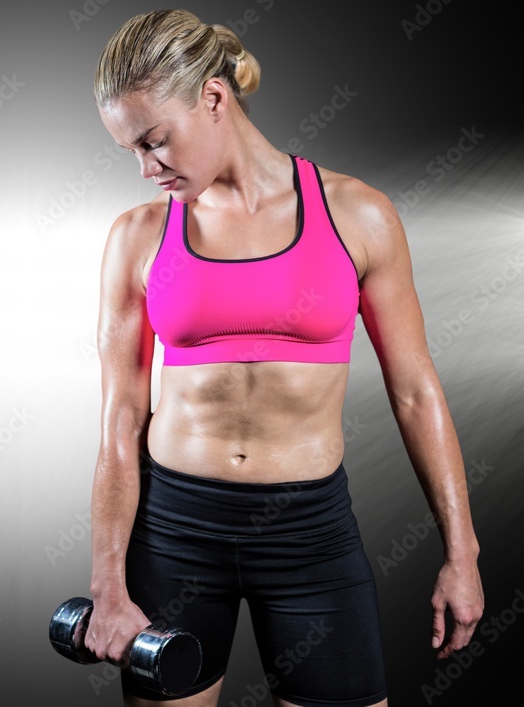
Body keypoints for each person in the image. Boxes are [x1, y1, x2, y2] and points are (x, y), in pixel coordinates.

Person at [83, 9, 484, 707]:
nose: (148, 169)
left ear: (212, 98)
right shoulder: (137, 236)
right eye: (132, 153)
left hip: (310, 536)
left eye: (156, 142)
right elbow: (121, 418)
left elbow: (416, 391)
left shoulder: (357, 215)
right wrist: (108, 583)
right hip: (175, 533)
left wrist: (463, 551)